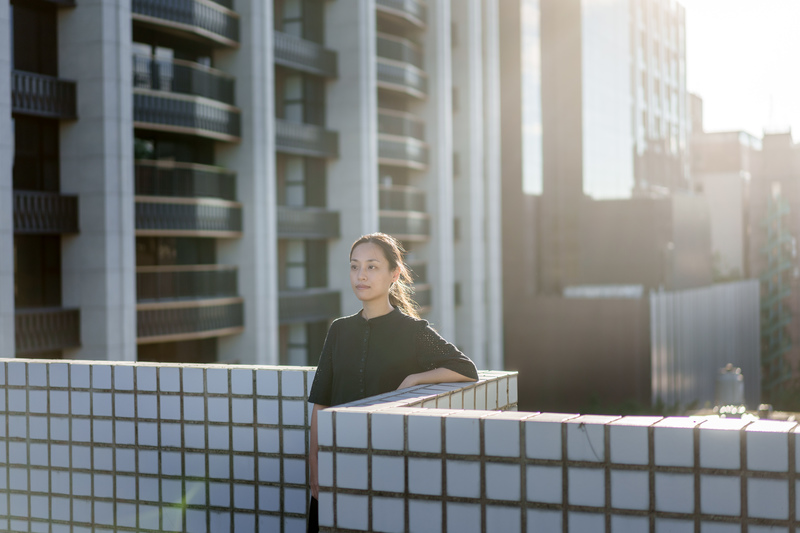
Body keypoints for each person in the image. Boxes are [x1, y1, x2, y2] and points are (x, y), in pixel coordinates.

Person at [305, 233, 479, 532]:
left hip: (387, 462)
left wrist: (415, 378)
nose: (361, 275)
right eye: (354, 266)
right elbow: (322, 399)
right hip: (338, 456)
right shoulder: (339, 331)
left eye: (372, 267)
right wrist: (315, 463)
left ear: (394, 274)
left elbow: (465, 368)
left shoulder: (413, 331)